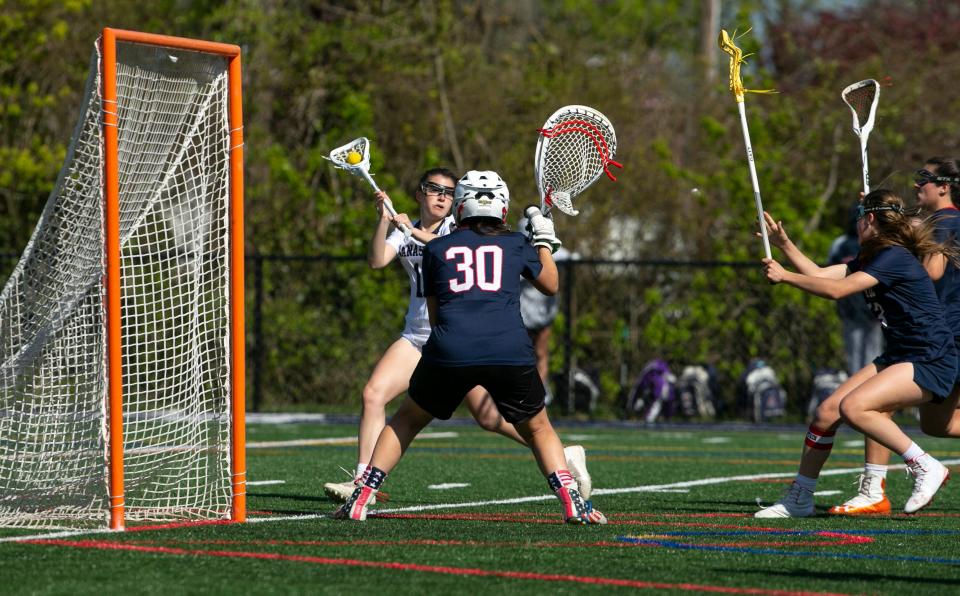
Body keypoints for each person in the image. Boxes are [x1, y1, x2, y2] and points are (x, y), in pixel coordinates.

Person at [333, 170, 606, 524]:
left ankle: (362, 496)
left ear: (459, 207)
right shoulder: (515, 244)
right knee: (539, 428)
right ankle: (571, 500)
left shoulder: (436, 248)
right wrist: (543, 241)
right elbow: (551, 285)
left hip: (450, 348)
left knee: (407, 419)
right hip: (508, 350)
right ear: (503, 208)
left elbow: (435, 314)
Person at [754, 189, 959, 518]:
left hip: (929, 356)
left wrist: (785, 277)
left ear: (870, 219)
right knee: (826, 412)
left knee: (854, 407)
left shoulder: (894, 256)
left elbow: (836, 291)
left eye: (859, 217)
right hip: (900, 354)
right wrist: (785, 246)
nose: (856, 224)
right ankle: (800, 497)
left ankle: (925, 466)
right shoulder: (873, 257)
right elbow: (822, 275)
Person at [829, 158, 960, 515]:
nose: (918, 185)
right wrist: (878, 215)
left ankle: (874, 489)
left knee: (871, 403)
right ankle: (875, 488)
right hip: (933, 334)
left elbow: (932, 271)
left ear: (944, 186)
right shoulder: (933, 221)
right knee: (938, 424)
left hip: (944, 335)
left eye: (924, 179)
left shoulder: (946, 221)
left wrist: (891, 232)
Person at [827, 202, 884, 375]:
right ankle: (855, 388)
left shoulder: (875, 243)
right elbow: (830, 273)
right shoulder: (841, 244)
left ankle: (872, 392)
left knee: (873, 353)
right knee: (854, 355)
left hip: (873, 310)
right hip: (851, 310)